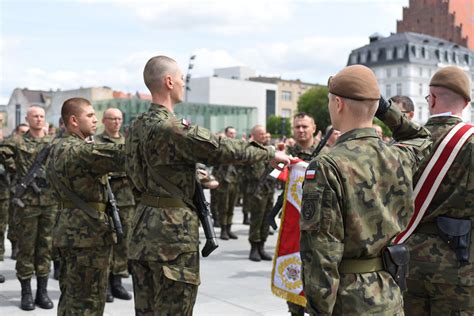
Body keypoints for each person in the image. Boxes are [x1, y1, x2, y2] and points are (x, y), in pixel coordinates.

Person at [125, 55, 290, 315]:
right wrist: (269, 153)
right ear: (169, 81)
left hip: (142, 227)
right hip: (172, 233)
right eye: (180, 78)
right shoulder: (172, 128)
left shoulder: (135, 127)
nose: (182, 83)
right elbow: (220, 148)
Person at [300, 64, 432, 315]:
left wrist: (318, 310)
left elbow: (321, 254)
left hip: (349, 300)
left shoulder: (328, 165)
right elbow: (423, 137)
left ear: (338, 103)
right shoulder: (398, 156)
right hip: (390, 292)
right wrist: (384, 109)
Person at [404, 66, 474, 315]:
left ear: (431, 99)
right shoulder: (471, 142)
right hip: (459, 265)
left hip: (407, 260)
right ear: (465, 104)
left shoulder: (407, 142)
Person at [47, 97, 125, 315]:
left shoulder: (59, 146)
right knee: (87, 302)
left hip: (75, 233)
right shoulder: (76, 150)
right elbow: (121, 155)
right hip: (86, 237)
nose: (95, 120)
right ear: (73, 120)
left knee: (73, 297)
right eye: (89, 115)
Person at [0, 106, 58, 311]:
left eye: (42, 116)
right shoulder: (17, 141)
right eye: (35, 116)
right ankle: (26, 292)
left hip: (50, 203)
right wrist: (15, 170)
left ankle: (42, 292)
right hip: (26, 204)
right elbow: (3, 153)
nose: (39, 119)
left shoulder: (54, 141)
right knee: (26, 248)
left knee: (45, 248)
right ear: (27, 118)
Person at [95, 108, 134, 302]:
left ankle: (117, 281)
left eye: (119, 118)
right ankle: (105, 284)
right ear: (104, 120)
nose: (116, 122)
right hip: (104, 201)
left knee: (123, 242)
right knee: (106, 243)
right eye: (112, 118)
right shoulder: (96, 142)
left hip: (126, 201)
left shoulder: (127, 143)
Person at [242, 124, 276, 262]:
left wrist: (276, 172)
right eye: (261, 134)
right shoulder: (249, 150)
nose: (264, 136)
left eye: (264, 133)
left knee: (266, 219)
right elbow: (245, 172)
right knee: (256, 220)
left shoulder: (269, 151)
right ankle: (254, 248)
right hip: (255, 191)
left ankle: (262, 246)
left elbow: (276, 170)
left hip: (268, 190)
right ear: (254, 135)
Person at [213, 126, 240, 240]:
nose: (232, 135)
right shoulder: (219, 146)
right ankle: (223, 230)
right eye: (230, 133)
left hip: (235, 180)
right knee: (223, 206)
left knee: (231, 206)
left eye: (234, 133)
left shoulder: (237, 146)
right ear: (226, 134)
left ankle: (229, 228)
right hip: (223, 180)